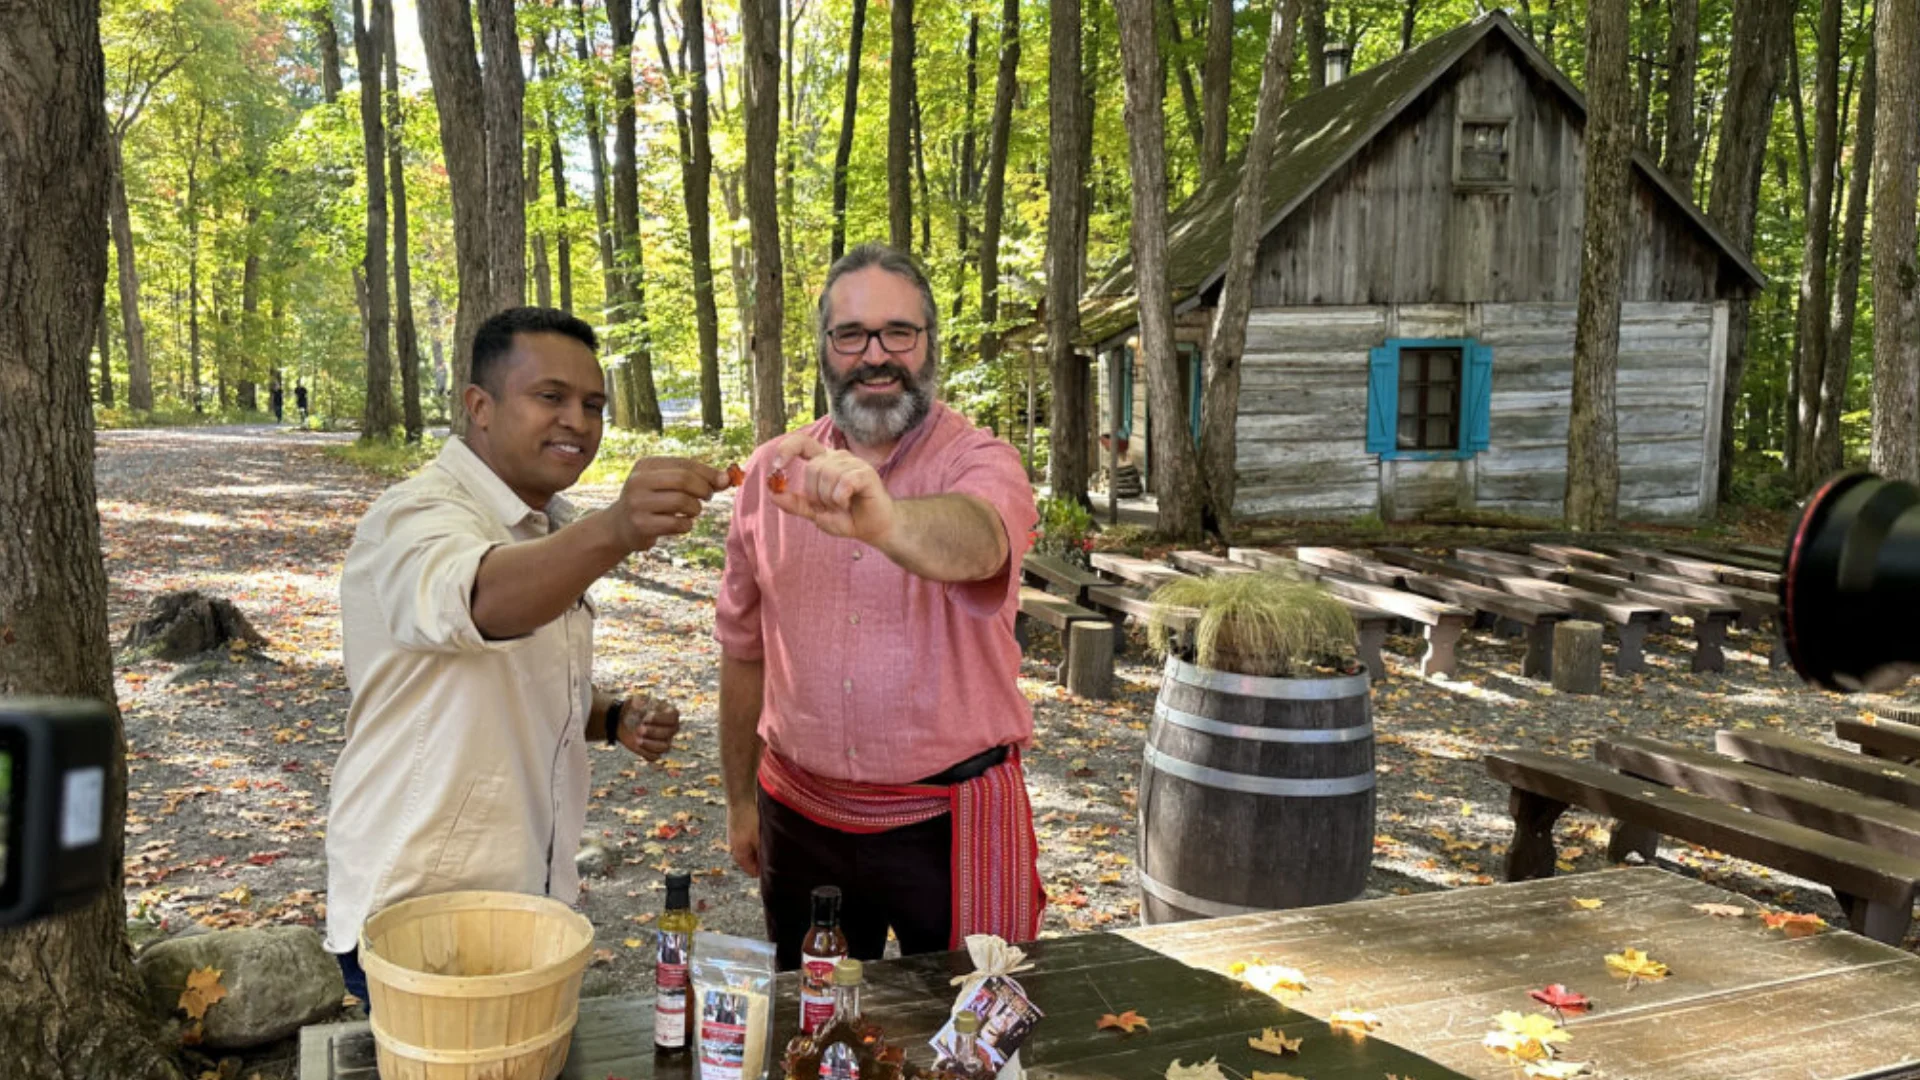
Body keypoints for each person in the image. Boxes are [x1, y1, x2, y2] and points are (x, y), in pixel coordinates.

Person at [324, 306, 729, 1004]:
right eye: (551, 397)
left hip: (527, 905)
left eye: (593, 404)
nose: (578, 420)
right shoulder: (415, 515)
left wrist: (612, 717)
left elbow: (505, 672)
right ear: (479, 407)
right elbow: (477, 600)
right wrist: (618, 528)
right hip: (424, 918)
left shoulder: (543, 528)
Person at [715, 244, 1043, 970]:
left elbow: (980, 541)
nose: (876, 356)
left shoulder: (981, 461)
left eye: (899, 332)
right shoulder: (771, 477)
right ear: (825, 352)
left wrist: (889, 521)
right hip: (799, 819)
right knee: (815, 1035)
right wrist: (740, 798)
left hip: (949, 825)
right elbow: (743, 650)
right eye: (851, 335)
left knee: (973, 1041)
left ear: (930, 346)